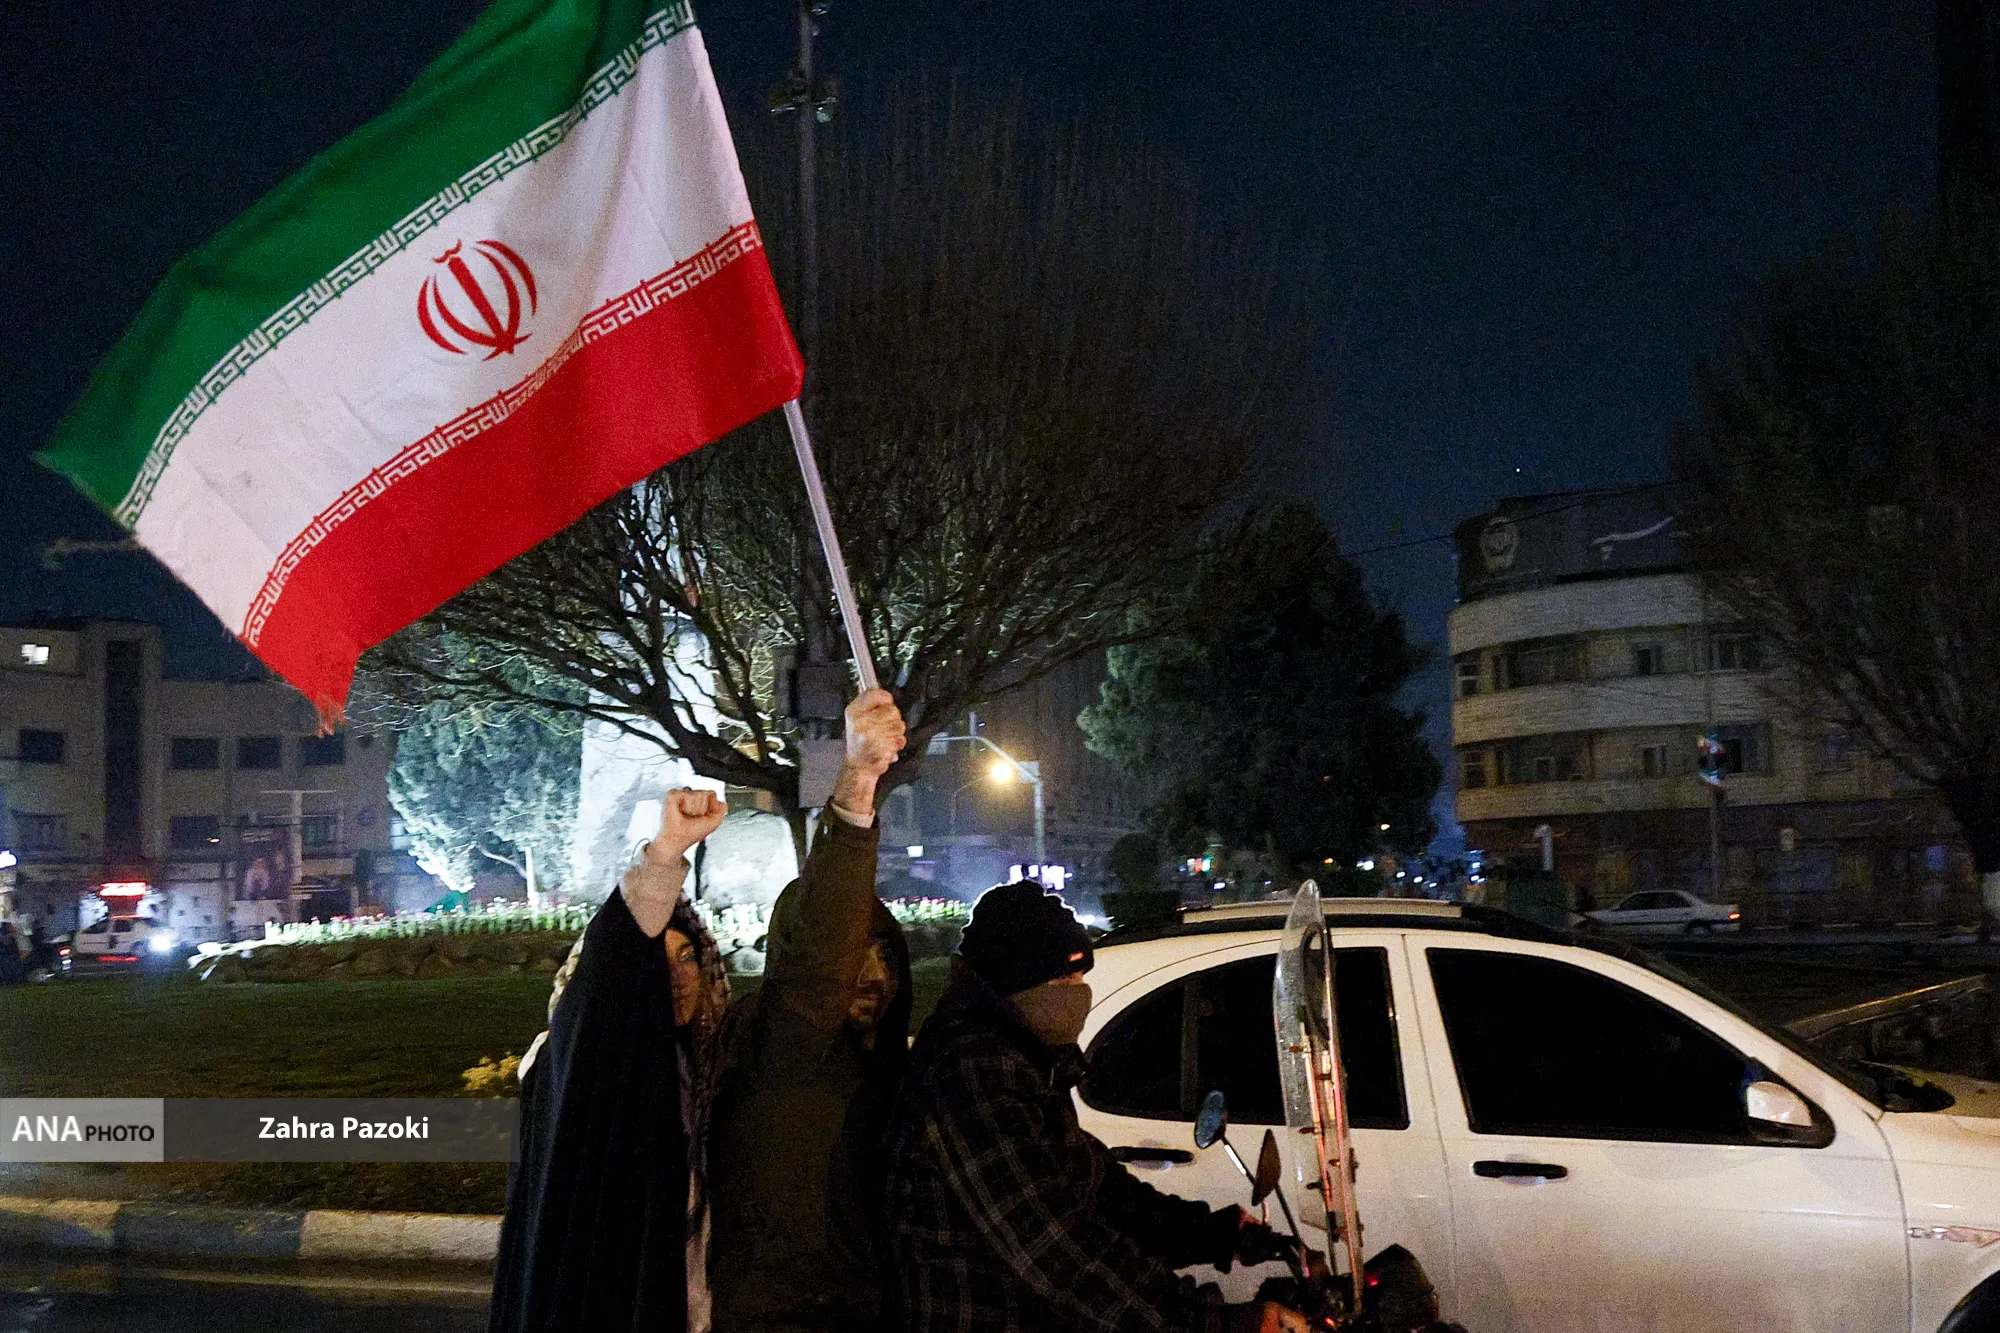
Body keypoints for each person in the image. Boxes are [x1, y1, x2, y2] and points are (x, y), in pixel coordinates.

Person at [488, 687, 907, 1333]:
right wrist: (664, 857)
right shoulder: (582, 1068)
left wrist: (857, 787)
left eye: (690, 956)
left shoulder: (722, 1061)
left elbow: (815, 973)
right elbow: (604, 979)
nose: (677, 975)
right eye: (657, 958)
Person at [883, 882, 1306, 1333]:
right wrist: (1210, 1322)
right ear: (1017, 981)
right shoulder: (972, 1073)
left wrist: (1217, 1233)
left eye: (1082, 977)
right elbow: (1055, 1250)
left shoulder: (1029, 1062)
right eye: (1065, 978)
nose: (1079, 992)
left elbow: (1103, 1192)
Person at [707, 686, 911, 1333]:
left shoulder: (889, 1069)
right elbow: (821, 960)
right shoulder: (779, 1044)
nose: (870, 975)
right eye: (856, 955)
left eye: (884, 953)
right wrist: (856, 786)